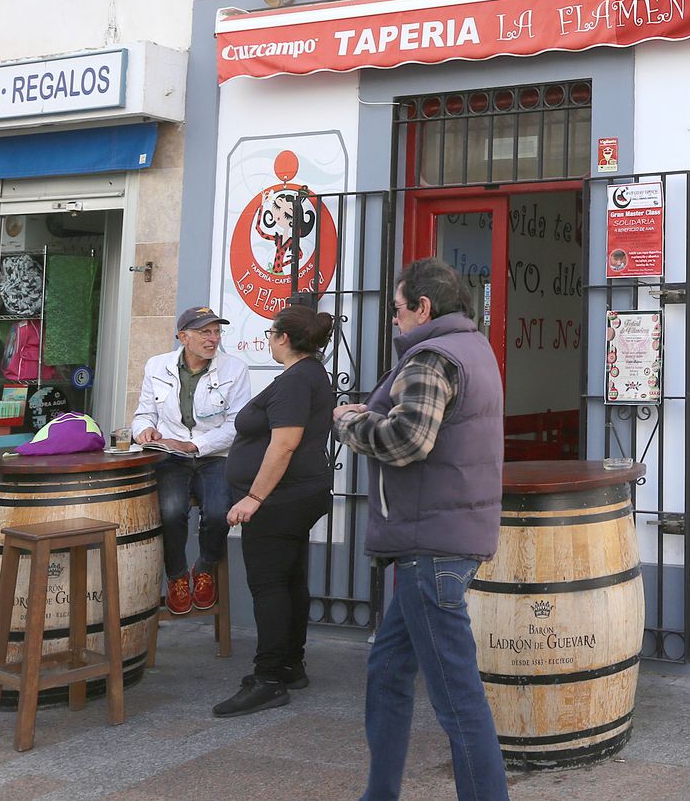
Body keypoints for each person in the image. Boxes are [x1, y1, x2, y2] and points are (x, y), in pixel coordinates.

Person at [333, 259, 510, 801]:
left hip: (427, 546)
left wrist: (349, 421)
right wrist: (378, 413)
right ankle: (378, 793)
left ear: (422, 308)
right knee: (388, 668)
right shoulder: (472, 348)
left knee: (458, 697)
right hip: (441, 538)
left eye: (397, 308)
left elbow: (408, 441)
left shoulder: (430, 357)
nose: (393, 320)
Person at [213, 303, 336, 717]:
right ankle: (289, 664)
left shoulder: (295, 381)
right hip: (298, 494)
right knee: (290, 580)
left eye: (270, 334)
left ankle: (267, 678)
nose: (267, 340)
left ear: (284, 338)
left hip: (281, 499)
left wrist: (254, 498)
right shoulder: (310, 374)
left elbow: (283, 445)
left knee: (269, 585)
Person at [132, 306, 252, 616]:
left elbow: (236, 425)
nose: (213, 339)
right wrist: (144, 430)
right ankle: (176, 577)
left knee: (218, 512)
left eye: (216, 332)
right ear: (183, 337)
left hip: (215, 455)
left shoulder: (234, 369)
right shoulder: (156, 366)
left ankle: (205, 567)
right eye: (204, 332)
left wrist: (193, 444)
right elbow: (144, 412)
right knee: (171, 512)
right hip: (171, 457)